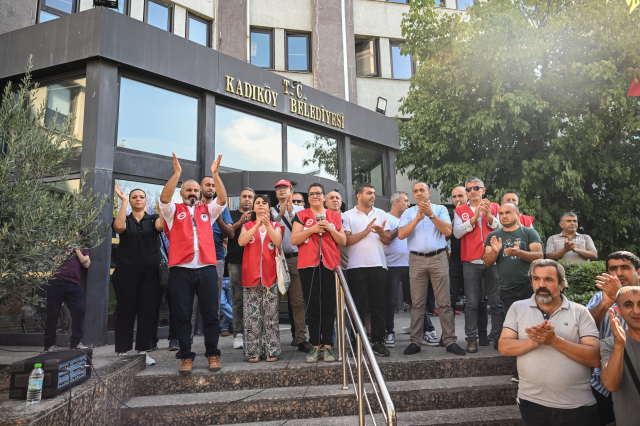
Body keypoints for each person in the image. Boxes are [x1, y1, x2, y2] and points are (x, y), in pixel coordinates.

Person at [499, 259, 601, 426]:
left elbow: (595, 358)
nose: (541, 284)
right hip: (531, 403)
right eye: (536, 279)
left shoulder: (580, 312)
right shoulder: (517, 308)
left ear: (561, 284)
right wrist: (535, 342)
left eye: (548, 279)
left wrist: (555, 341)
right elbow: (504, 347)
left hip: (576, 405)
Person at [159, 153, 227, 374]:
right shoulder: (172, 211)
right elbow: (164, 198)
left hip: (206, 267)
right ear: (182, 193)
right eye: (188, 190)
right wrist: (177, 173)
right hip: (181, 270)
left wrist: (215, 174)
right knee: (182, 315)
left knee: (210, 314)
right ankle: (186, 357)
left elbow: (223, 200)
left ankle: (212, 354)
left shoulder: (207, 210)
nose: (192, 193)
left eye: (195, 190)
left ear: (200, 193)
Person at [398, 182, 464, 356]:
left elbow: (448, 231)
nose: (419, 193)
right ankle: (415, 342)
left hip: (438, 257)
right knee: (417, 303)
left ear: (429, 192)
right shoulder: (408, 212)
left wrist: (431, 215)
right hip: (416, 259)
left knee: (444, 302)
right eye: (415, 191)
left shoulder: (440, 209)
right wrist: (418, 219)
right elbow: (401, 234)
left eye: (422, 190)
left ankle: (450, 341)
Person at [483, 203, 543, 377]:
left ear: (518, 214)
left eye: (507, 212)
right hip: (507, 288)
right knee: (515, 329)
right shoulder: (493, 235)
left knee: (533, 324)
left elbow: (539, 255)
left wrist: (519, 252)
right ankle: (521, 370)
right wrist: (495, 252)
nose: (503, 216)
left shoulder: (528, 232)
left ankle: (537, 366)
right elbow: (487, 261)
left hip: (528, 285)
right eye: (500, 213)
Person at [291, 183, 346, 363]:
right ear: (308, 198)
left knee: (328, 306)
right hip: (308, 265)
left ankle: (328, 346)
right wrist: (312, 230)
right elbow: (294, 239)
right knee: (313, 305)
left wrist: (330, 228)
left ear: (324, 197)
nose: (315, 196)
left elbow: (343, 240)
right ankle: (315, 345)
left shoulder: (335, 216)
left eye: (318, 193)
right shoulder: (301, 215)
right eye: (312, 194)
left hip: (330, 265)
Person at [112, 187, 165, 366]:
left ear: (146, 201)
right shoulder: (125, 219)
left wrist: (162, 205)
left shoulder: (154, 219)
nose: (138, 199)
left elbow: (162, 226)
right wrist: (123, 202)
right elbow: (118, 228)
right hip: (126, 274)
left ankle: (143, 351)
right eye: (134, 197)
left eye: (141, 197)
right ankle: (122, 350)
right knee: (125, 311)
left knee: (147, 313)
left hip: (151, 275)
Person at [586, 251, 640, 425]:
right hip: (603, 386)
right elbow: (585, 328)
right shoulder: (598, 298)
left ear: (638, 272)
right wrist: (605, 304)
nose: (618, 273)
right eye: (613, 269)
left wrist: (620, 296)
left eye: (625, 267)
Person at [453, 177, 503, 353]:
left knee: (496, 302)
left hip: (494, 259)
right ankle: (471, 339)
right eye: (468, 189)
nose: (472, 191)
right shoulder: (460, 210)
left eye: (476, 188)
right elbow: (457, 233)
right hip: (471, 262)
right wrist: (473, 219)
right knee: (471, 303)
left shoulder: (495, 207)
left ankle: (498, 337)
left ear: (484, 190)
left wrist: (489, 216)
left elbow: (502, 228)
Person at [342, 183, 391, 357]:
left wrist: (380, 232)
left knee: (379, 305)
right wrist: (366, 231)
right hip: (356, 266)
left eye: (374, 193)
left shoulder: (381, 214)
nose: (372, 196)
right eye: (369, 193)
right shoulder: (347, 215)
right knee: (358, 307)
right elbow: (346, 241)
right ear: (358, 195)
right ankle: (358, 342)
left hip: (379, 265)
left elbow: (387, 240)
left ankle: (378, 342)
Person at [238, 195, 284, 362]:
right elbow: (241, 242)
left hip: (270, 278)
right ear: (254, 207)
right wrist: (257, 224)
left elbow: (277, 241)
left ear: (268, 207)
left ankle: (272, 350)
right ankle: (253, 352)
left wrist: (266, 225)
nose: (261, 205)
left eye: (264, 203)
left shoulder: (276, 225)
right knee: (252, 317)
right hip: (251, 277)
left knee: (271, 316)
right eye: (258, 203)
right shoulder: (247, 226)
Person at [271, 179, 312, 353]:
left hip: (296, 258)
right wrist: (281, 213)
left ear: (291, 190)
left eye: (284, 188)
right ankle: (271, 341)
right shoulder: (271, 210)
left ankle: (301, 338)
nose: (281, 190)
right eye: (278, 188)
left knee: (297, 301)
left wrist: (291, 212)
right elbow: (271, 228)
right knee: (271, 302)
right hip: (275, 259)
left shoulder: (302, 211)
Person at [449, 186, 488, 345]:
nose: (457, 199)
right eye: (454, 197)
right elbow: (450, 233)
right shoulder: (454, 213)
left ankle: (482, 334)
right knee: (450, 299)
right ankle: (448, 336)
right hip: (456, 262)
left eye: (460, 195)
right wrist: (456, 216)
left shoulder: (478, 211)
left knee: (479, 300)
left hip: (473, 261)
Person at [198, 176, 234, 336]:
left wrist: (219, 221)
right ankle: (187, 343)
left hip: (217, 258)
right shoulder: (191, 207)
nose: (211, 188)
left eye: (213, 185)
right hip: (194, 260)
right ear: (201, 188)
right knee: (191, 305)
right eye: (208, 185)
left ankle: (212, 343)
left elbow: (230, 233)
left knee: (216, 302)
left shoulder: (222, 207)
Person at [600, 286, 640, 426]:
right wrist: (619, 345)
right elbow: (611, 385)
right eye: (628, 305)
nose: (636, 311)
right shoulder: (610, 344)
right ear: (618, 311)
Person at [43, 245, 90, 353]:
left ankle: (76, 342)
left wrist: (77, 250)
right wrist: (68, 249)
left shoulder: (84, 248)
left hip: (74, 285)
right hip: (56, 282)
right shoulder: (59, 244)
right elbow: (56, 262)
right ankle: (49, 345)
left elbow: (86, 264)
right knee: (53, 314)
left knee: (79, 310)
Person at [227, 188, 255, 349]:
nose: (247, 199)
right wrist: (241, 221)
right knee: (237, 299)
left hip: (254, 262)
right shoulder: (231, 214)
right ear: (239, 199)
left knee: (254, 299)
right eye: (244, 196)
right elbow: (229, 233)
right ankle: (238, 333)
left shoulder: (258, 215)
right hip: (236, 261)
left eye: (250, 197)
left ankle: (254, 331)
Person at [383, 191, 411, 348]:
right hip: (392, 265)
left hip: (411, 264)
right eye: (406, 201)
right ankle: (389, 332)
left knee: (417, 300)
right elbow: (385, 238)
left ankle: (426, 329)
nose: (408, 204)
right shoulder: (386, 218)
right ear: (396, 203)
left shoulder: (409, 218)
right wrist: (401, 226)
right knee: (391, 301)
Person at [326, 190, 349, 271]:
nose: (335, 200)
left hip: (346, 265)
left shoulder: (348, 218)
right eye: (331, 198)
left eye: (337, 198)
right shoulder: (321, 219)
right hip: (327, 264)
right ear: (325, 203)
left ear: (341, 203)